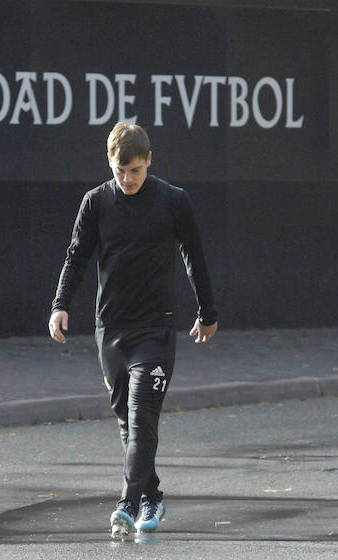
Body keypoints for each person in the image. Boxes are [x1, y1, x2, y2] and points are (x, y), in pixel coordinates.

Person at [48, 122, 218, 538]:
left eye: (135, 171)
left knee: (142, 418)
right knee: (127, 422)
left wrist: (207, 310)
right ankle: (152, 497)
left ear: (149, 161)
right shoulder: (96, 203)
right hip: (111, 330)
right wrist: (60, 305)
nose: (127, 179)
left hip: (155, 330)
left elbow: (194, 254)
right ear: (110, 162)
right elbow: (76, 256)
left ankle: (126, 502)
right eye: (120, 170)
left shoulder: (173, 201)